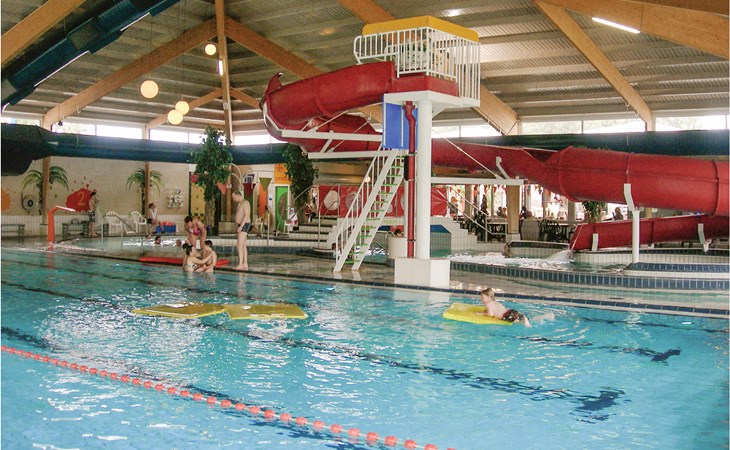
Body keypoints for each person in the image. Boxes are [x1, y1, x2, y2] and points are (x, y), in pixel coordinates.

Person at [480, 288, 554, 327]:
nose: (481, 299)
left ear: (489, 298)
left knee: (524, 323)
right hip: (511, 312)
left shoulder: (488, 304)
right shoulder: (495, 302)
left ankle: (529, 324)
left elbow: (491, 314)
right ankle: (544, 316)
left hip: (506, 316)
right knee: (525, 319)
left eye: (483, 297)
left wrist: (481, 314)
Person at [232, 191, 251, 271]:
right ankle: (245, 263)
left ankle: (240, 264)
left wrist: (241, 226)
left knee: (239, 244)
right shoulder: (240, 203)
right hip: (242, 225)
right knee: (243, 245)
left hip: (244, 224)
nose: (233, 199)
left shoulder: (245, 203)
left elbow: (247, 215)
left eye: (234, 197)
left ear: (238, 195)